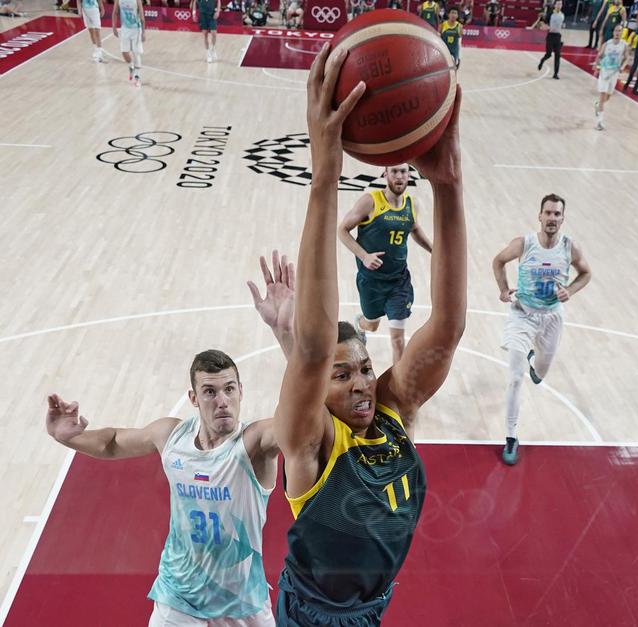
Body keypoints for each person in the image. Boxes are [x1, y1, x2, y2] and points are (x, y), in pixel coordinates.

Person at [273, 44, 465, 626]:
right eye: (342, 374)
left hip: (372, 609)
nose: (361, 383)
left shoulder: (392, 408)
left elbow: (449, 327)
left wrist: (450, 187)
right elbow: (310, 349)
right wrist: (324, 177)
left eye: (362, 367)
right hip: (315, 616)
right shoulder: (310, 442)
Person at [44, 350, 280, 626]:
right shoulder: (171, 436)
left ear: (241, 391)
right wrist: (68, 437)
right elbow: (112, 442)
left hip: (242, 600)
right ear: (193, 398)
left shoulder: (254, 443)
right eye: (209, 392)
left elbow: (295, 427)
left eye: (229, 390)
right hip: (179, 595)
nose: (222, 402)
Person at [492, 194, 592, 466]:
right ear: (539, 216)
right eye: (548, 213)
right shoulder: (524, 244)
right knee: (515, 377)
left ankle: (535, 363)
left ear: (562, 218)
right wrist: (503, 289)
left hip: (551, 318)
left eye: (557, 214)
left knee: (540, 373)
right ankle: (511, 436)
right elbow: (498, 261)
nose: (552, 218)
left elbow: (586, 273)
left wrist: (569, 291)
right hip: (522, 315)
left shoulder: (570, 247)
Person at [337, 164, 433, 365]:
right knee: (371, 324)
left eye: (403, 171)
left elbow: (414, 229)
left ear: (409, 175)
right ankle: (360, 326)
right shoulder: (370, 202)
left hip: (399, 282)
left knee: (398, 340)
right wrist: (364, 256)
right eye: (394, 171)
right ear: (385, 174)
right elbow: (342, 231)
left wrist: (435, 250)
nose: (399, 176)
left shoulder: (411, 204)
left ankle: (397, 391)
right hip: (371, 282)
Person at [593, 22, 629, 129]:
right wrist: (596, 64)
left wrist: (623, 66)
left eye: (620, 31)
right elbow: (599, 55)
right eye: (616, 30)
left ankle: (597, 105)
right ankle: (599, 122)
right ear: (613, 32)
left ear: (622, 33)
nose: (618, 32)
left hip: (614, 73)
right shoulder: (607, 44)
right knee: (603, 95)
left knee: (607, 97)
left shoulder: (624, 45)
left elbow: (626, 58)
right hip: (605, 72)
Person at [112, 0, 145, 87]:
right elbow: (115, 12)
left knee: (136, 53)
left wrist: (143, 33)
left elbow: (142, 16)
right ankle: (131, 66)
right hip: (125, 29)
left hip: (136, 29)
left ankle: (137, 78)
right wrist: (114, 27)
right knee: (124, 52)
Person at [537, 0, 565, 79]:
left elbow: (560, 25)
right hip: (550, 36)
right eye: (558, 4)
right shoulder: (550, 14)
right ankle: (542, 60)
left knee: (558, 55)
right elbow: (543, 23)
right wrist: (546, 27)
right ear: (555, 5)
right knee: (548, 54)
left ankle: (556, 74)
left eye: (561, 4)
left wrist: (562, 26)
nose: (559, 5)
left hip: (558, 36)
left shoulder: (562, 15)